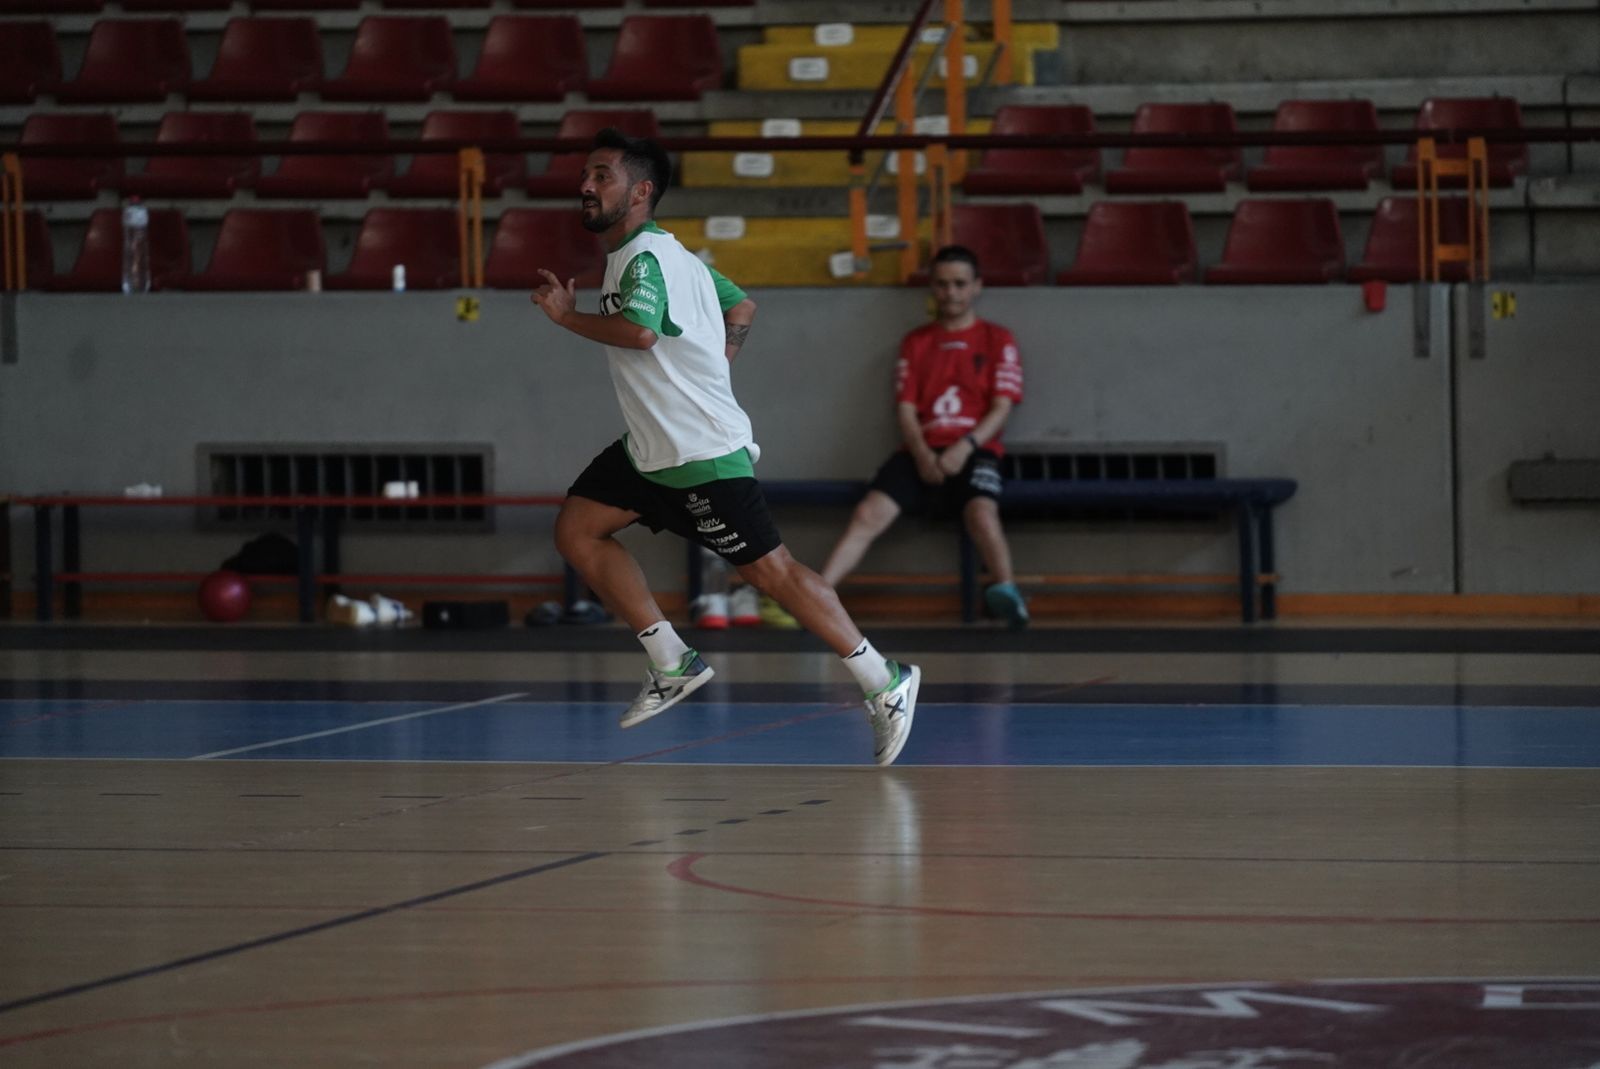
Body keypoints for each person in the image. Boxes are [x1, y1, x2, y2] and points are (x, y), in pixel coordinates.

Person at [529, 128, 919, 766]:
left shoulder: (646, 259)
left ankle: (885, 679)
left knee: (771, 574)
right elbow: (742, 306)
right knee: (577, 530)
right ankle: (670, 660)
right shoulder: (674, 258)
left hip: (698, 454)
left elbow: (640, 335)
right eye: (586, 175)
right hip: (651, 450)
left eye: (602, 175)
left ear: (641, 190)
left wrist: (567, 316)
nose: (586, 186)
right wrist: (716, 365)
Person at [819, 245, 1029, 629]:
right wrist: (921, 454)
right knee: (869, 512)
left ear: (977, 287)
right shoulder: (916, 342)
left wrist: (964, 448)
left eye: (960, 284)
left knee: (981, 511)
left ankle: (1007, 593)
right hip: (920, 450)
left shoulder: (998, 339)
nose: (951, 293)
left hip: (976, 449)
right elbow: (905, 409)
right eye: (943, 284)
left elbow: (1001, 406)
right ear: (932, 288)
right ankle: (817, 599)